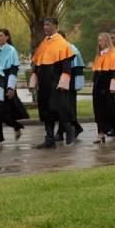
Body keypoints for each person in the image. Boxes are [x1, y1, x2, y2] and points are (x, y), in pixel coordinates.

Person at [30, 18, 77, 148]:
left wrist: (63, 83)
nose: (45, 27)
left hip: (56, 81)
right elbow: (37, 64)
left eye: (48, 24)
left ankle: (69, 130)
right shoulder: (43, 43)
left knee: (59, 108)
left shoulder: (63, 44)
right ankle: (49, 138)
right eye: (44, 24)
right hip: (44, 82)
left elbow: (66, 67)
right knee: (45, 109)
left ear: (55, 26)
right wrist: (34, 80)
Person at [0, 29, 28, 139]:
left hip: (7, 81)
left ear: (7, 37)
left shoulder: (12, 50)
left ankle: (16, 125)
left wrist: (11, 87)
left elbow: (14, 69)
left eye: (1, 35)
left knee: (5, 110)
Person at [91, 32, 115, 143]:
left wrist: (113, 88)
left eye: (101, 40)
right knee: (98, 111)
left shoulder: (114, 54)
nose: (99, 43)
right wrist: (93, 83)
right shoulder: (99, 55)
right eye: (98, 40)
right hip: (98, 86)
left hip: (108, 86)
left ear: (107, 41)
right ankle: (100, 134)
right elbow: (96, 72)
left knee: (110, 111)